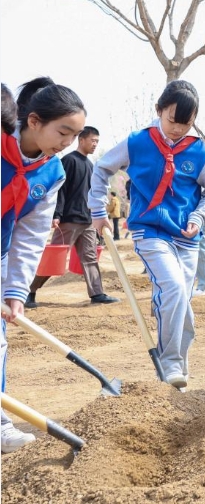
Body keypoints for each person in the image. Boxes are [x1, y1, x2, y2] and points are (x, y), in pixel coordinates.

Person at [88, 80, 205, 391]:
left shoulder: (200, 151)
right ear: (159, 110)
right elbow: (102, 169)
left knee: (182, 304)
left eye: (186, 123)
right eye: (172, 120)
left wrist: (198, 217)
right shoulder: (138, 142)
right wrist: (97, 210)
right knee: (173, 288)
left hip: (186, 238)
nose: (177, 129)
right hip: (149, 231)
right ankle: (170, 361)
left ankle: (176, 376)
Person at [2, 78, 87, 452]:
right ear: (33, 121)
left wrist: (16, 289)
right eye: (63, 132)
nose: (67, 142)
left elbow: (30, 235)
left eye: (75, 136)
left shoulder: (52, 173)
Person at [26, 127, 120, 309]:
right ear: (82, 140)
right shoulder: (69, 161)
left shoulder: (91, 165)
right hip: (69, 219)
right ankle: (29, 291)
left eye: (97, 141)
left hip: (87, 220)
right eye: (93, 140)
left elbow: (94, 193)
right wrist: (57, 214)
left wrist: (97, 216)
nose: (95, 144)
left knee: (90, 258)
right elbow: (60, 189)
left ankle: (97, 293)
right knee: (55, 259)